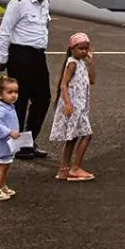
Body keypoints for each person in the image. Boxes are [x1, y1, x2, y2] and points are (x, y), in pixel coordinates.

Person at [0, 0, 53, 158]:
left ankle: (28, 141)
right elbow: (5, 30)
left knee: (43, 98)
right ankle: (18, 145)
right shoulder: (19, 3)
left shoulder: (46, 4)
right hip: (20, 55)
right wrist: (2, 58)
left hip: (38, 56)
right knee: (19, 100)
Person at [50, 32, 96, 182]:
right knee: (86, 135)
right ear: (72, 48)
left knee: (73, 137)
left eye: (86, 49)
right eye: (81, 48)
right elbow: (64, 84)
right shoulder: (72, 63)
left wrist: (91, 62)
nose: (84, 51)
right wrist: (68, 102)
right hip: (74, 106)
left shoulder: (81, 63)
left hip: (81, 106)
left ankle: (64, 169)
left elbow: (92, 80)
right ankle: (75, 167)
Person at [0, 76, 22, 201]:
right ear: (0, 95)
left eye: (16, 92)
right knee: (1, 167)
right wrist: (9, 132)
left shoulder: (9, 107)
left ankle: (1, 186)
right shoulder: (1, 110)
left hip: (7, 143)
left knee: (6, 166)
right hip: (1, 143)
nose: (14, 95)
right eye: (10, 92)